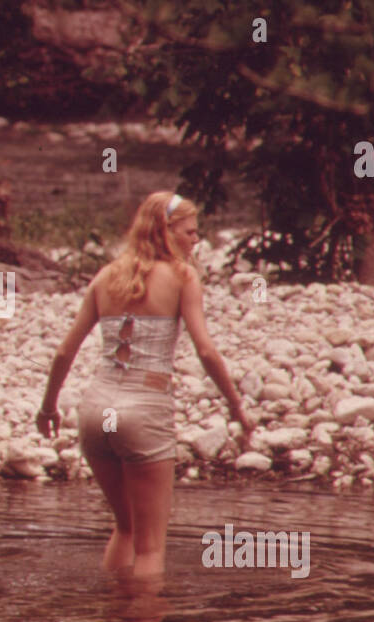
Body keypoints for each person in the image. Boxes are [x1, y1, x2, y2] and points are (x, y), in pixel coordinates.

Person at [37, 191, 254, 579]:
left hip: (95, 414)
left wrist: (48, 408)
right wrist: (236, 406)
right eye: (190, 232)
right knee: (151, 547)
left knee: (126, 527)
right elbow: (205, 351)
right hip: (144, 412)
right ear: (166, 231)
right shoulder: (183, 277)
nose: (195, 240)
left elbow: (61, 353)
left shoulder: (106, 277)